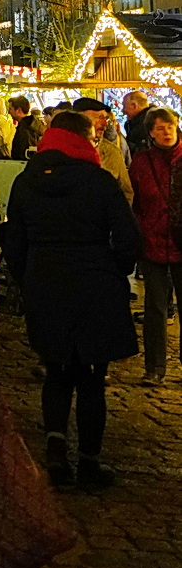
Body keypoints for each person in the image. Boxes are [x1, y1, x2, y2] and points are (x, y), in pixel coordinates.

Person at [1, 111, 140, 491]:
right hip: (95, 282)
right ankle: (89, 463)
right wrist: (114, 270)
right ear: (85, 140)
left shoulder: (27, 181)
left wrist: (28, 276)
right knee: (92, 377)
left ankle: (56, 454)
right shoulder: (99, 181)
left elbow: (14, 240)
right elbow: (127, 236)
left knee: (57, 371)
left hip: (47, 282)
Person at [128, 106, 182, 383]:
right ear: (151, 132)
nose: (166, 131)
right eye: (160, 127)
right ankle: (155, 368)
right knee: (155, 308)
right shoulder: (141, 162)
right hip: (151, 242)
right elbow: (135, 200)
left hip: (181, 242)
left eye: (170, 126)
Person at [73, 97, 134, 204]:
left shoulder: (111, 152)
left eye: (105, 118)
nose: (105, 124)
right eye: (99, 117)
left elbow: (126, 191)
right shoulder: (64, 150)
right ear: (80, 119)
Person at [8, 94, 45, 159]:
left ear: (18, 110)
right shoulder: (34, 125)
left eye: (10, 109)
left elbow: (23, 154)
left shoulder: (25, 130)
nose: (9, 112)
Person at [123, 89, 153, 156]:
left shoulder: (148, 123)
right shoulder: (134, 122)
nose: (123, 110)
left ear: (134, 106)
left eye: (124, 106)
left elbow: (143, 152)